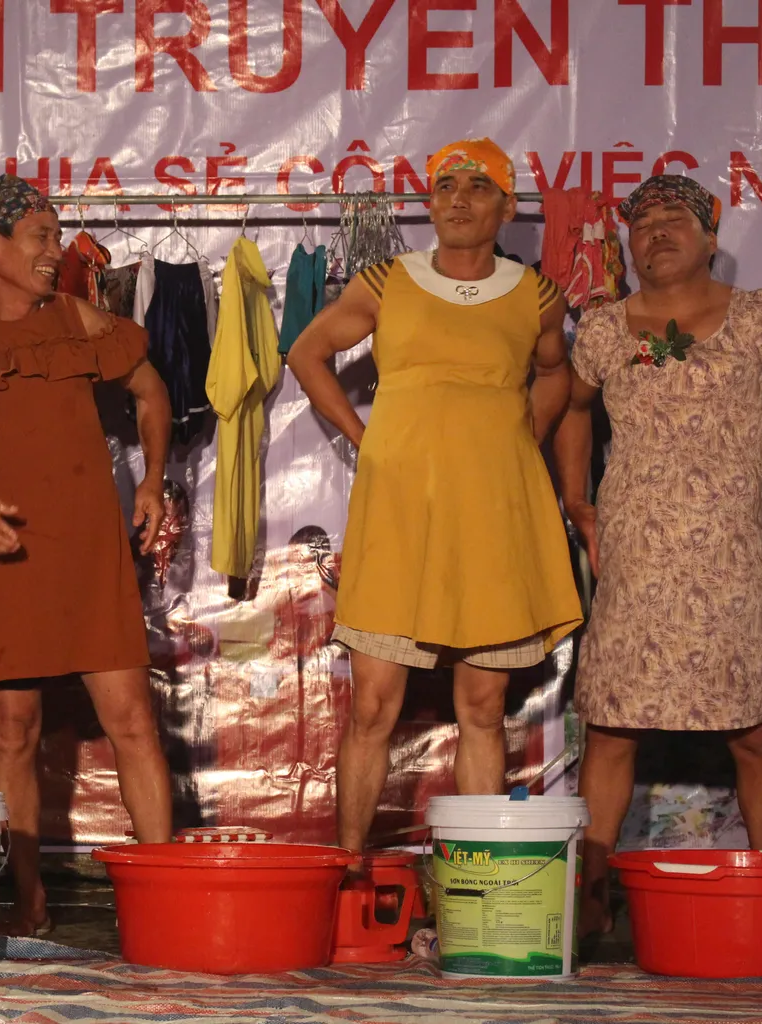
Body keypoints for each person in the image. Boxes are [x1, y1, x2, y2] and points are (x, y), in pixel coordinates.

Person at [553, 174, 762, 934]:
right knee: (612, 728)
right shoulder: (604, 329)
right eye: (641, 224)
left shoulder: (757, 317)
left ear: (710, 237)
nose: (656, 232)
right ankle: (593, 914)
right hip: (634, 557)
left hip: (732, 556)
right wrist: (579, 501)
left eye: (674, 219)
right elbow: (569, 407)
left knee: (753, 733)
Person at [0, 174, 175, 935]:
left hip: (89, 551)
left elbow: (151, 392)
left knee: (133, 722)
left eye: (56, 237)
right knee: (10, 731)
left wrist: (152, 480)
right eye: (41, 238)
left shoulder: (78, 317)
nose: (56, 253)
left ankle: (166, 902)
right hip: (4, 552)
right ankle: (29, 901)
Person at [287, 138, 583, 853]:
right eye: (445, 185)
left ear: (507, 208)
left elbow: (555, 374)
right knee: (374, 707)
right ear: (430, 203)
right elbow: (305, 352)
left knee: (483, 707)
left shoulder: (537, 296)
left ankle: (480, 871)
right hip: (402, 512)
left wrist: (521, 436)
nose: (457, 199)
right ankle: (349, 870)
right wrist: (366, 439)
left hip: (492, 514)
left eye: (478, 188)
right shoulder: (388, 280)